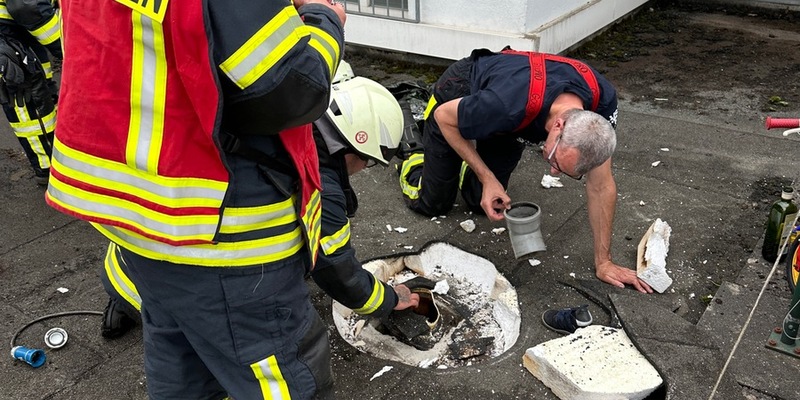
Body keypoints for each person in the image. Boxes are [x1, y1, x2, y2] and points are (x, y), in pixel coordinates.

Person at [46, 1, 348, 399]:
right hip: (225, 235)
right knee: (285, 379)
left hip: (138, 216)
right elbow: (292, 89)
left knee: (182, 368)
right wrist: (326, 19)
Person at [99, 64, 422, 341]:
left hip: (127, 260)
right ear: (354, 143)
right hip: (179, 293)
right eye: (367, 161)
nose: (365, 170)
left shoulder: (281, 117)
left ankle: (120, 302)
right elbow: (337, 270)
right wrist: (387, 299)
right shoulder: (320, 185)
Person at [397, 47, 653, 294]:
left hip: (511, 119)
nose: (553, 171)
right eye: (553, 158)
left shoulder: (601, 108)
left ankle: (468, 164)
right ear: (558, 126)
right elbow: (445, 117)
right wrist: (487, 177)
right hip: (459, 92)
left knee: (479, 203)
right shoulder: (506, 105)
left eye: (564, 170)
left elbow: (601, 185)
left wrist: (604, 262)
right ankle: (413, 149)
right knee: (434, 203)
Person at [0, 0, 61, 186]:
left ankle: (56, 158)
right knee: (29, 105)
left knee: (42, 93)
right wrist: (65, 46)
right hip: (10, 39)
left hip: (22, 33)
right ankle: (47, 167)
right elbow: (28, 6)